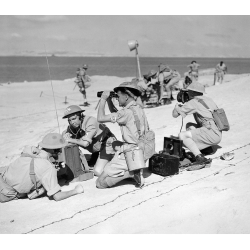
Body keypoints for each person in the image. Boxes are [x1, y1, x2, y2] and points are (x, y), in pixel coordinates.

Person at [96, 82, 153, 188]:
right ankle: (130, 168)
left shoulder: (125, 113)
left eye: (118, 96)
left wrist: (103, 99)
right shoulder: (138, 108)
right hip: (142, 149)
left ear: (126, 96)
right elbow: (118, 114)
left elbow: (100, 118)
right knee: (112, 143)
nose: (117, 99)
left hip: (131, 152)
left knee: (100, 183)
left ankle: (131, 173)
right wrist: (110, 101)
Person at [0, 133, 84, 203]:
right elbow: (57, 196)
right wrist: (75, 190)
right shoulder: (48, 168)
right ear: (54, 150)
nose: (60, 152)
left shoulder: (30, 151)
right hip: (5, 192)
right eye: (59, 149)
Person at [172, 81, 222, 170]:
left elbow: (175, 115)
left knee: (182, 135)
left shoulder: (194, 102)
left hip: (210, 133)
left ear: (193, 92)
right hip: (216, 132)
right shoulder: (208, 99)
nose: (187, 93)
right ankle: (206, 149)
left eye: (189, 91)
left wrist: (176, 107)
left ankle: (200, 158)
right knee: (190, 126)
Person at [62, 105, 116, 177]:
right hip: (97, 147)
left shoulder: (90, 122)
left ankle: (115, 161)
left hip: (108, 144)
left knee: (98, 172)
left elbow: (85, 143)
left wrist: (70, 139)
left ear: (80, 116)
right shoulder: (73, 126)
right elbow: (65, 135)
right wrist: (65, 136)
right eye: (69, 120)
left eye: (74, 119)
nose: (72, 122)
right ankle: (98, 157)